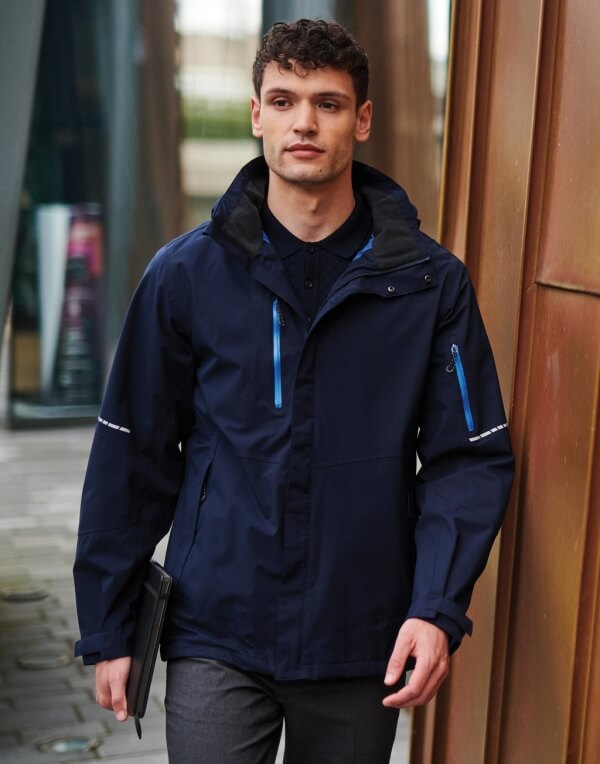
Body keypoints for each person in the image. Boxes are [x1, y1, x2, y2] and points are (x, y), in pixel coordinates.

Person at [73, 18, 514, 763]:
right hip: (216, 626)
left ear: (362, 120)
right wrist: (109, 624)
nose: (303, 122)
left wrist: (436, 607)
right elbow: (132, 452)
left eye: (327, 103)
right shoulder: (186, 276)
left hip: (361, 635)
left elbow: (468, 459)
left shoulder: (429, 286)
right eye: (282, 101)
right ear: (257, 115)